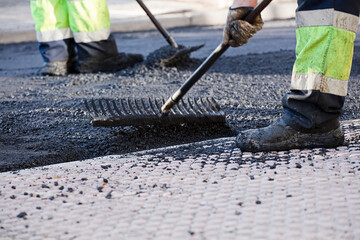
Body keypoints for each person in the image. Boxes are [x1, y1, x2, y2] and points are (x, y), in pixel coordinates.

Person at [224, 0, 360, 152]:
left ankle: (312, 117)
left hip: (313, 117)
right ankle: (314, 114)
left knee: (323, 5)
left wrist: (244, 3)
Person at [30, 0, 143, 76]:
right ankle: (96, 53)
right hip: (96, 51)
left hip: (50, 52)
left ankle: (56, 57)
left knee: (47, 3)